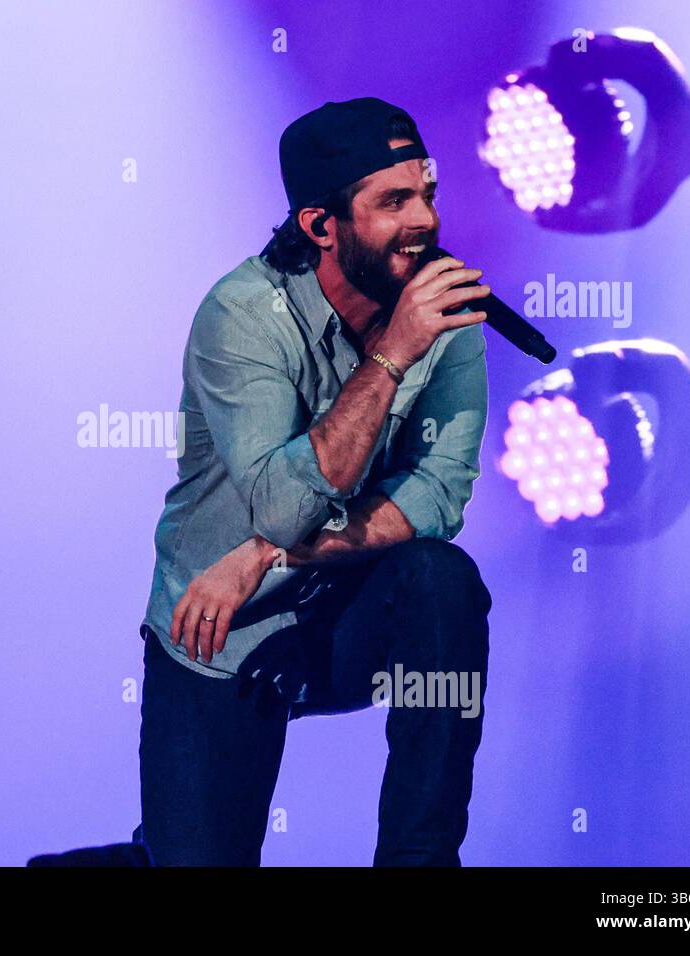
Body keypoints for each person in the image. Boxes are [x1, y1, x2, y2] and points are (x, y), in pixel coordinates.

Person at [27, 97, 494, 868]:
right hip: (221, 631)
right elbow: (281, 507)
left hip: (340, 605)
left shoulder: (443, 313)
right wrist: (391, 357)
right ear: (321, 225)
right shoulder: (244, 313)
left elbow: (440, 495)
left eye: (428, 193)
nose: (426, 220)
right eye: (394, 201)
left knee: (442, 581)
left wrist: (274, 558)